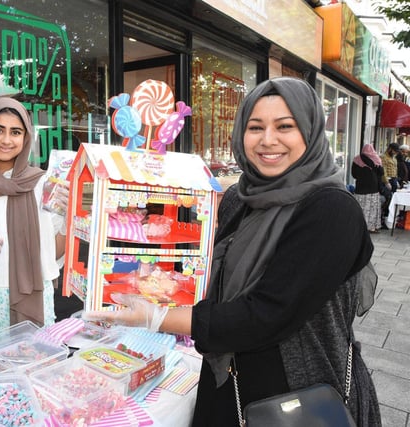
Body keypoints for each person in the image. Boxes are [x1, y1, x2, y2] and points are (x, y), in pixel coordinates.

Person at [85, 77, 381, 426]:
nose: (268, 140)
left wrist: (156, 317)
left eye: (285, 126)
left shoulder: (332, 210)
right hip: (227, 376)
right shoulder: (240, 199)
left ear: (311, 131)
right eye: (255, 127)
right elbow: (212, 275)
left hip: (297, 394)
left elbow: (269, 314)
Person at [0, 97, 66, 335]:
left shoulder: (45, 186)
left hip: (36, 298)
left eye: (16, 132)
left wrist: (70, 222)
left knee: (37, 365)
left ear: (26, 137)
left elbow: (54, 251)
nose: (7, 140)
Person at [351, 144, 384, 233]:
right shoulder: (376, 159)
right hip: (373, 188)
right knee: (372, 208)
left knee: (361, 207)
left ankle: (359, 226)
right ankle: (371, 227)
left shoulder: (357, 159)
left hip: (360, 188)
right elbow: (381, 173)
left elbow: (353, 174)